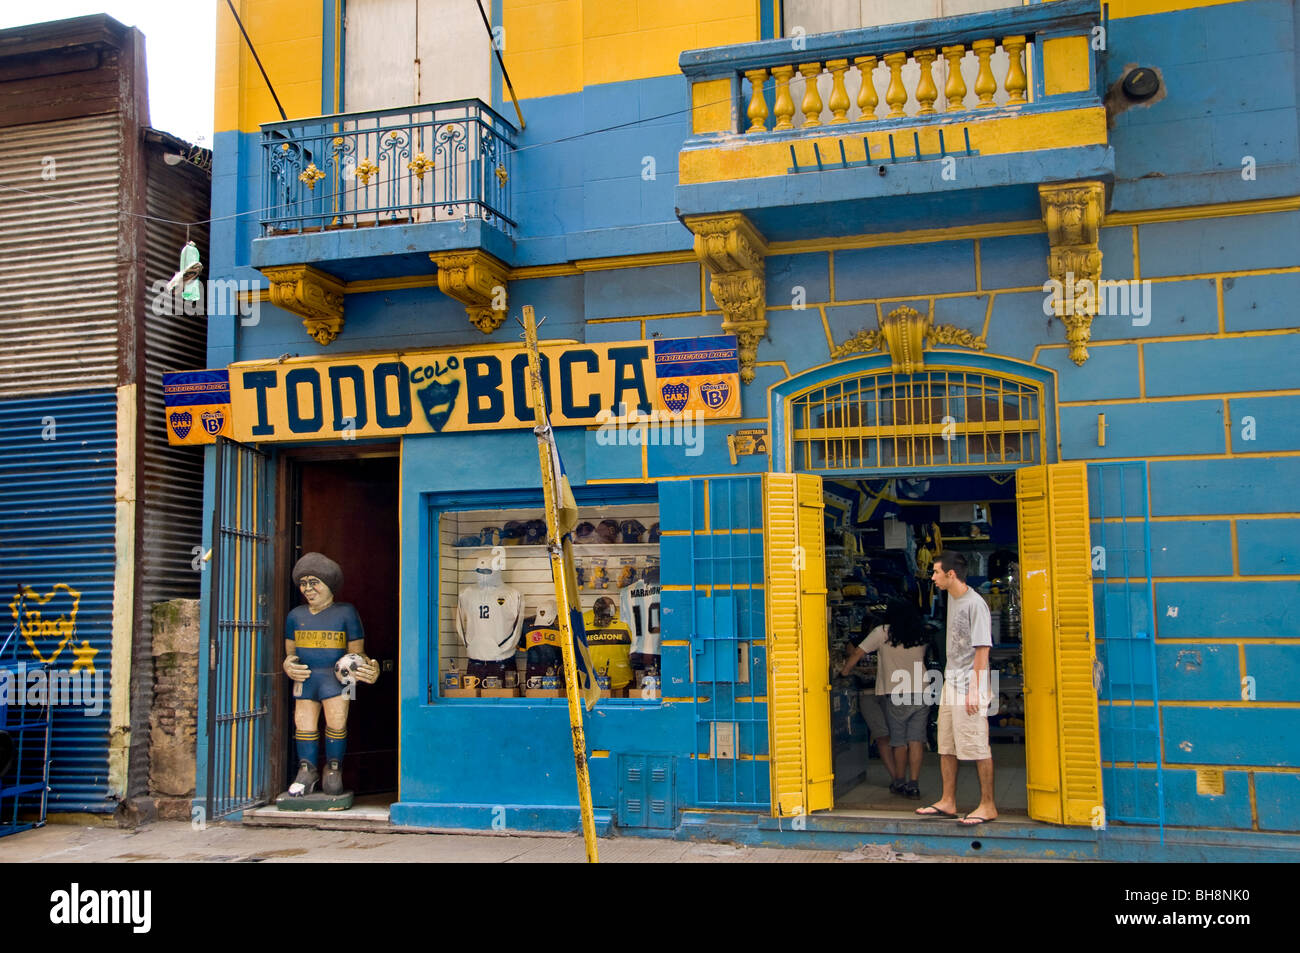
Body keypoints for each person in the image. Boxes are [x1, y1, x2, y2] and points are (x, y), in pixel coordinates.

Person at [282, 553, 378, 797]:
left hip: (341, 680)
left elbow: (357, 654)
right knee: (303, 722)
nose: (308, 589)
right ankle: (307, 769)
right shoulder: (295, 616)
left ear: (329, 584)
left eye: (314, 582)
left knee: (337, 721)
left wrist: (369, 668)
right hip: (306, 678)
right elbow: (290, 654)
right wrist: (288, 666)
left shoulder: (346, 612)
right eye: (303, 583)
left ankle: (334, 767)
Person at [915, 550, 997, 825]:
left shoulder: (975, 604)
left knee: (976, 746)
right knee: (946, 745)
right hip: (952, 683)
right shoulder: (952, 598)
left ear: (951, 574)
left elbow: (982, 651)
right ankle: (948, 801)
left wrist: (975, 690)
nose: (933, 577)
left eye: (936, 572)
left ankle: (988, 805)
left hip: (969, 686)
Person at [838, 598, 930, 799]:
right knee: (916, 739)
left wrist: (844, 672)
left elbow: (857, 654)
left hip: (896, 692)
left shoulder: (882, 632)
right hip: (921, 690)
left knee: (898, 741)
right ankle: (913, 784)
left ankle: (899, 781)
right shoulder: (920, 632)